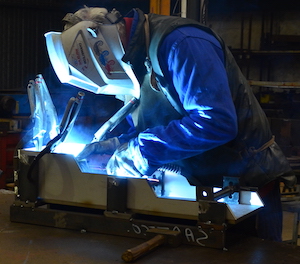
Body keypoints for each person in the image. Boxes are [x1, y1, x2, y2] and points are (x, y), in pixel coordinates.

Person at [45, 6, 296, 241]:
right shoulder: (137, 57)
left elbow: (216, 122)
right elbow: (158, 123)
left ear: (100, 45)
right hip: (202, 185)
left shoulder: (182, 44)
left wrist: (141, 151)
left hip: (244, 188)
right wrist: (118, 144)